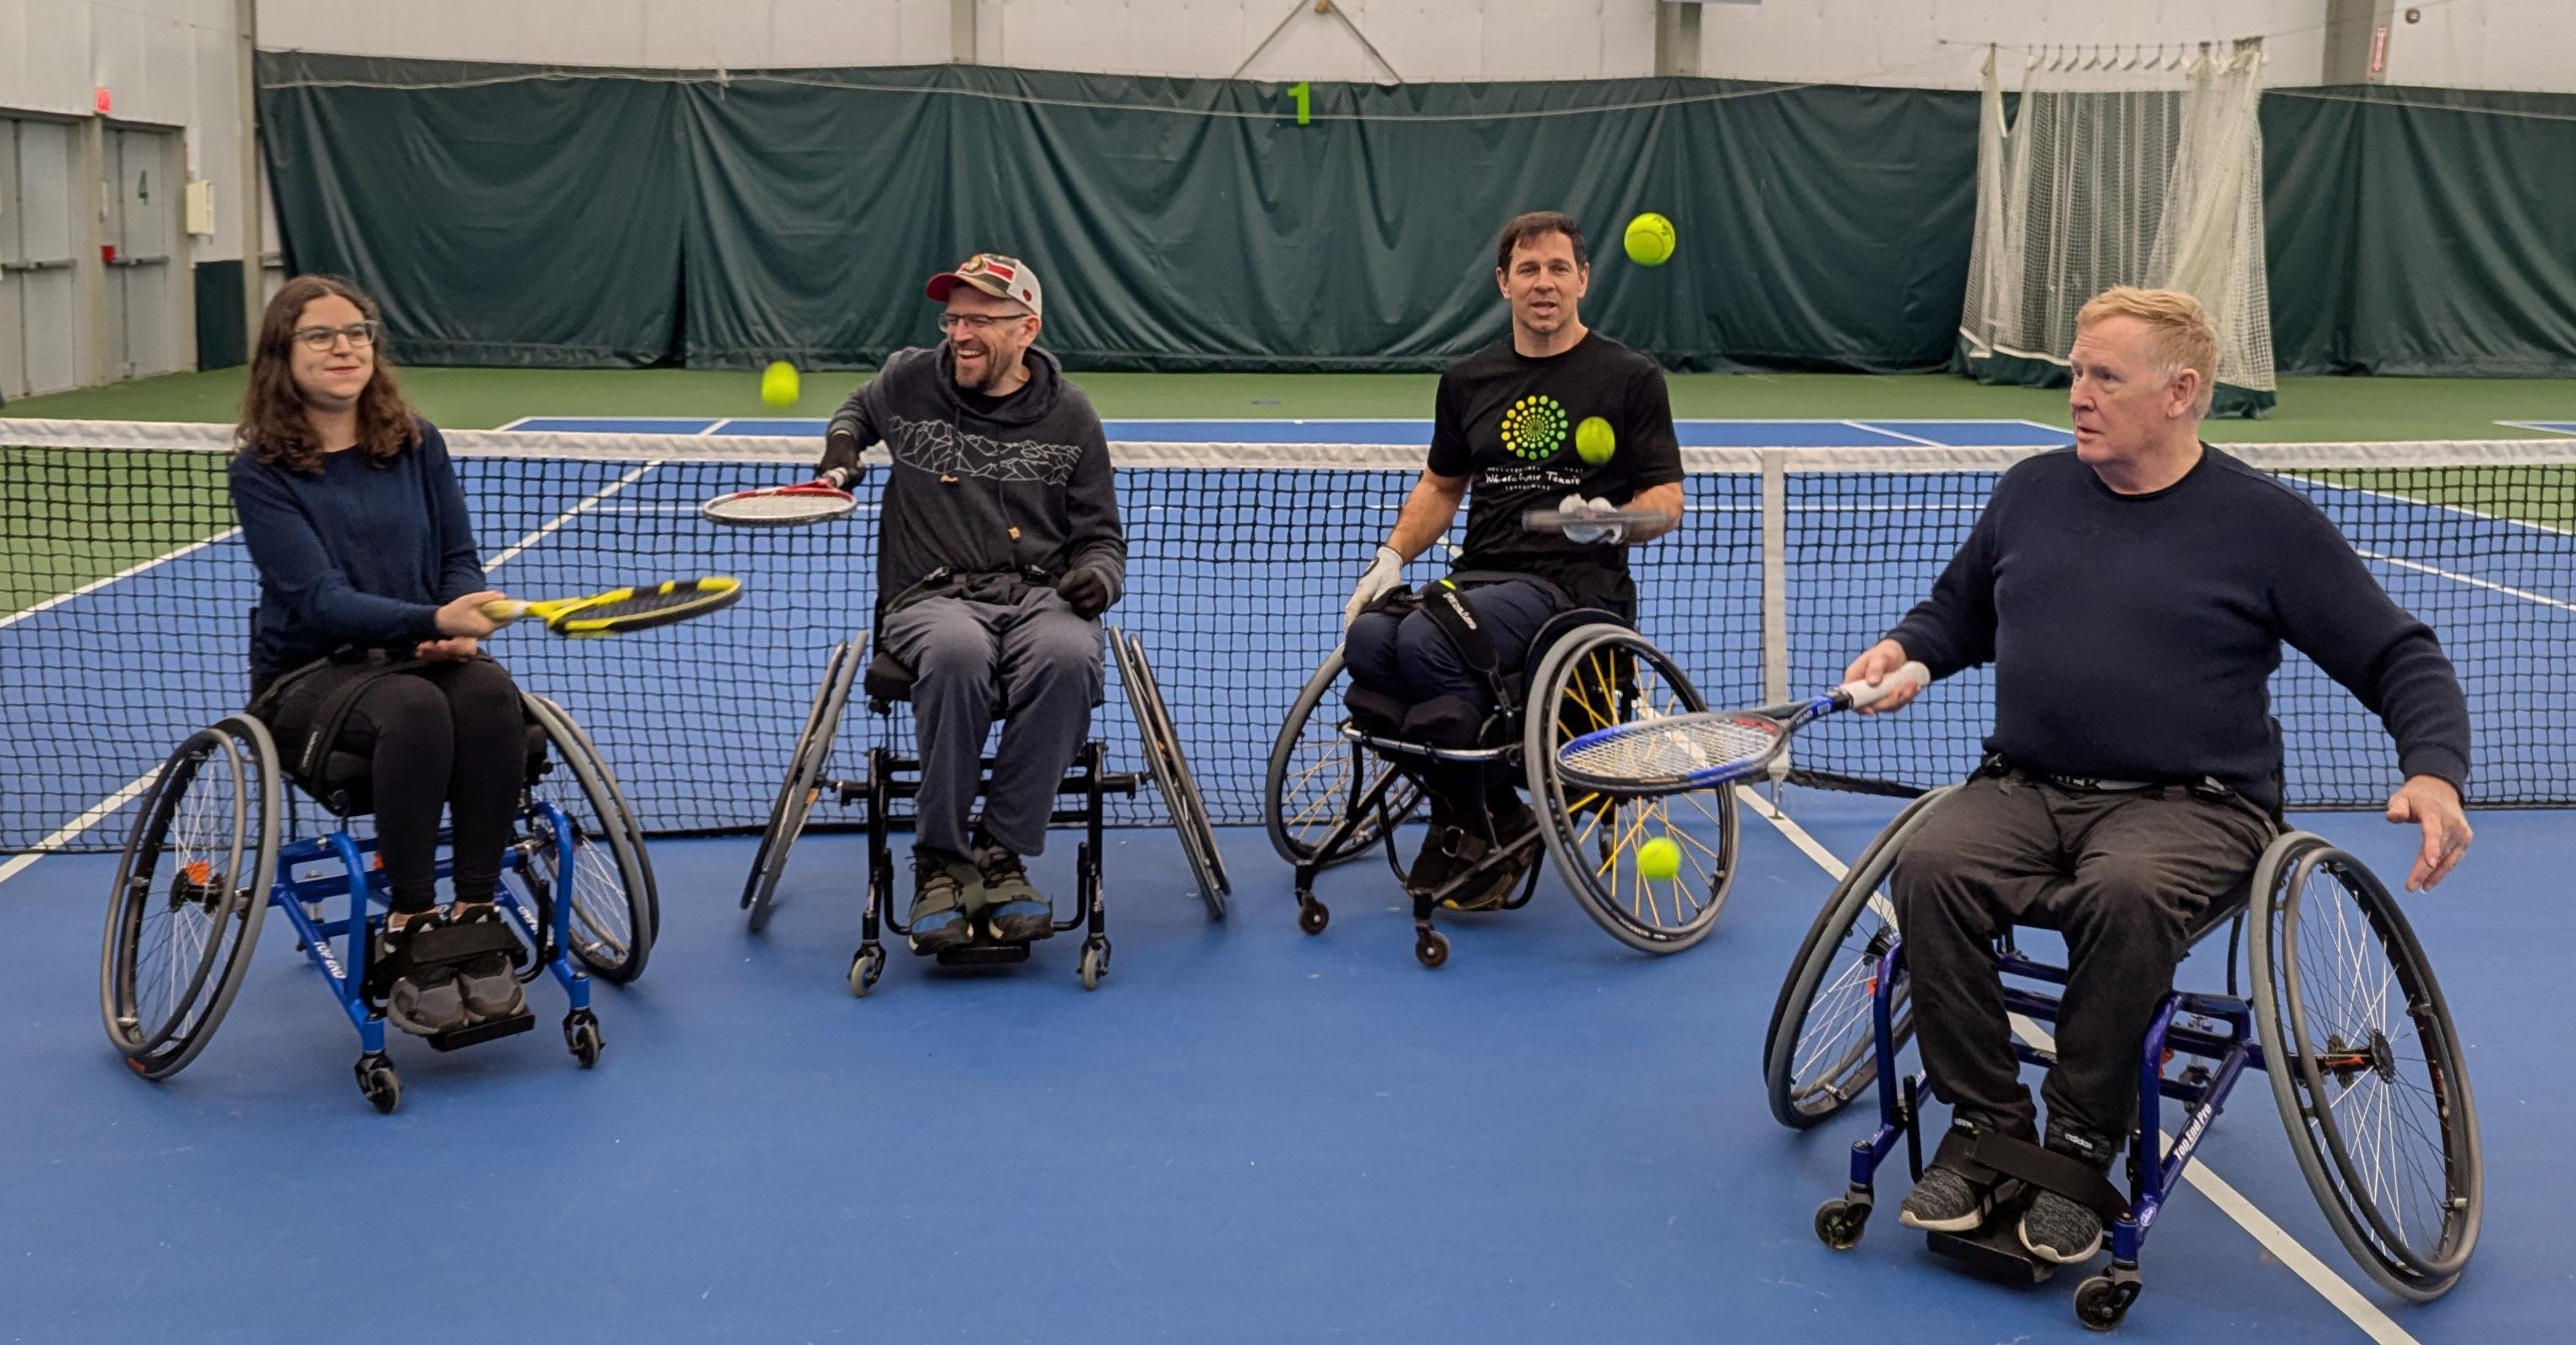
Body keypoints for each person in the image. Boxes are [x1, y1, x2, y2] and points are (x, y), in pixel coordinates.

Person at [1848, 286, 2474, 1264]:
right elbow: (1959, 612)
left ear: (2180, 391)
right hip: (2025, 785)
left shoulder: (2264, 525)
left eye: (2105, 376)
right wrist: (1908, 652)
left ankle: (2080, 1142)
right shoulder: (2029, 492)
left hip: (2195, 807)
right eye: (2075, 372)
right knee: (1929, 866)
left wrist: (2433, 771)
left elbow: (2399, 655)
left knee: (2125, 893)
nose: (2077, 394)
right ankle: (1985, 1129)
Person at [1339, 211, 1685, 898]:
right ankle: (1492, 809)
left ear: (1582, 279)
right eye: (1527, 269)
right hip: (1480, 579)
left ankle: (1474, 816)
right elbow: (1441, 486)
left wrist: (1612, 522)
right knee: (1372, 640)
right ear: (1504, 283)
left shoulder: (1629, 377)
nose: (1543, 283)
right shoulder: (1468, 380)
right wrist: (1391, 556)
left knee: (1429, 640)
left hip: (1573, 591)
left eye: (1558, 268)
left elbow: (1666, 503)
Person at [229, 275, 525, 1036]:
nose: (344, 348)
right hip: (312, 675)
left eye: (357, 332)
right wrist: (430, 618)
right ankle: (411, 921)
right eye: (320, 335)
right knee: (416, 708)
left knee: (490, 695)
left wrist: (457, 620)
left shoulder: (418, 441)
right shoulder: (261, 471)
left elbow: (457, 558)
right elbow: (319, 599)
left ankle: (476, 911)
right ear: (282, 353)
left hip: (416, 654)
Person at [818, 253, 1125, 955]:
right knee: (957, 652)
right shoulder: (909, 380)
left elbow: (1102, 539)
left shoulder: (1071, 416)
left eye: (980, 320)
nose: (959, 333)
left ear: (1026, 329)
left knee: (1069, 653)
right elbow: (859, 408)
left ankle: (999, 852)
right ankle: (939, 861)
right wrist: (841, 451)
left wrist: (1097, 578)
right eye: (953, 319)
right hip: (929, 595)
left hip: (1039, 596)